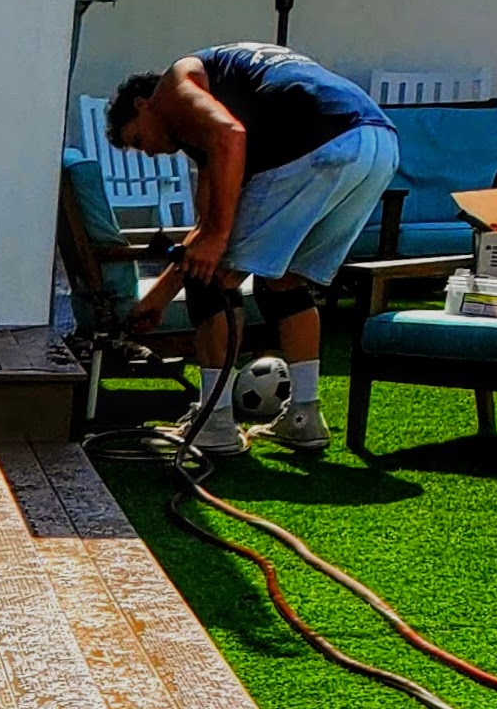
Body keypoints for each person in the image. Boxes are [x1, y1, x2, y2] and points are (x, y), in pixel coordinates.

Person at [105, 45, 401, 456]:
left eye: (139, 140)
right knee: (284, 282)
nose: (149, 152)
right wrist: (156, 299)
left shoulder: (174, 86)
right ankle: (304, 416)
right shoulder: (213, 121)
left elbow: (231, 136)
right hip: (377, 144)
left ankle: (215, 422)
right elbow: (204, 233)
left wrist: (215, 240)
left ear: (143, 104)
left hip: (316, 142)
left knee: (211, 282)